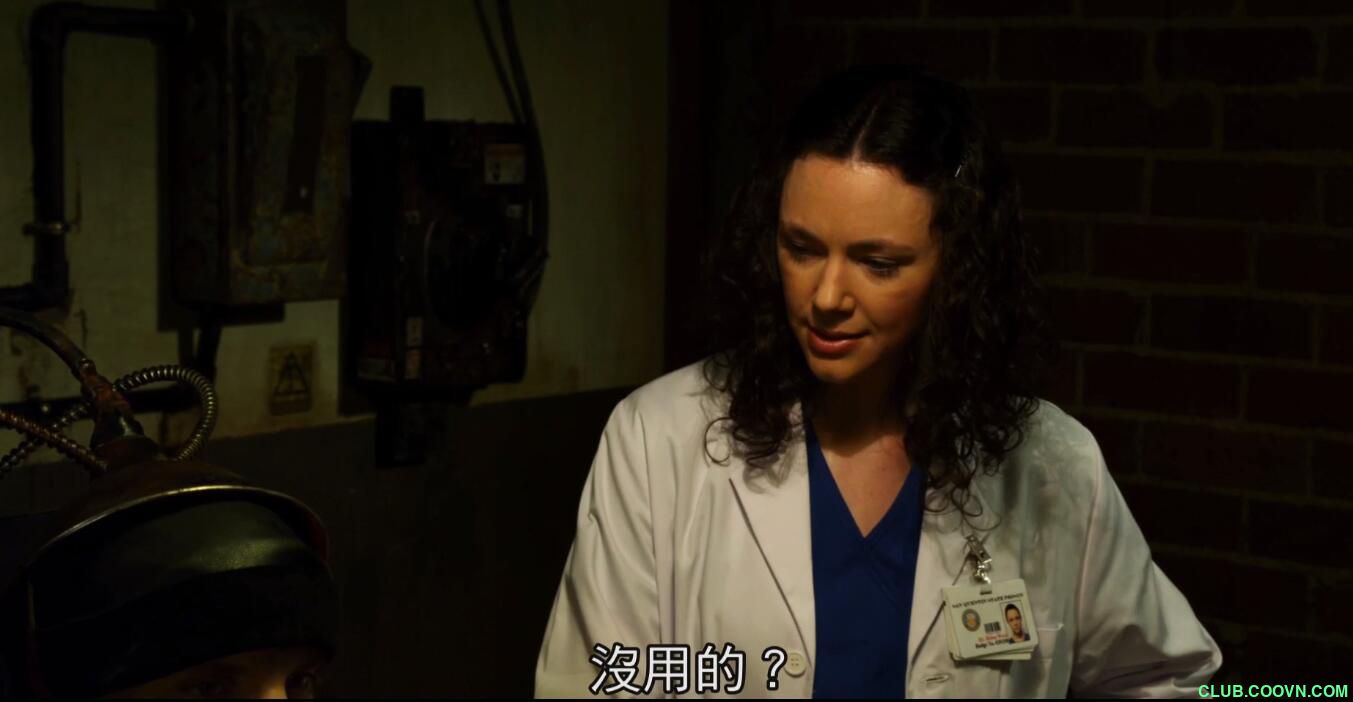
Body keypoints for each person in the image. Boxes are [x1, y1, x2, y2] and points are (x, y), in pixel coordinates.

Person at [535, 65, 1221, 698]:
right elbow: (595, 682)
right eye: (801, 249)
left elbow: (1168, 678)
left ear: (956, 270)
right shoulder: (659, 439)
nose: (827, 296)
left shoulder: (1050, 463)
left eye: (878, 263)